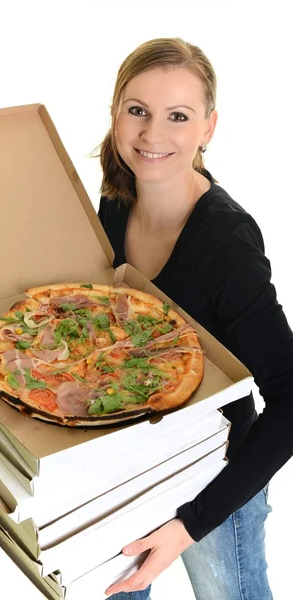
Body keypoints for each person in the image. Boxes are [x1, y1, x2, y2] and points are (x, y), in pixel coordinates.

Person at [97, 37, 293, 600]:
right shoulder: (115, 199)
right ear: (115, 114)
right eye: (138, 111)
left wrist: (191, 523)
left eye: (177, 117)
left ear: (208, 128)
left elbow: (289, 396)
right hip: (126, 458)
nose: (152, 135)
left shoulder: (225, 246)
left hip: (214, 475)